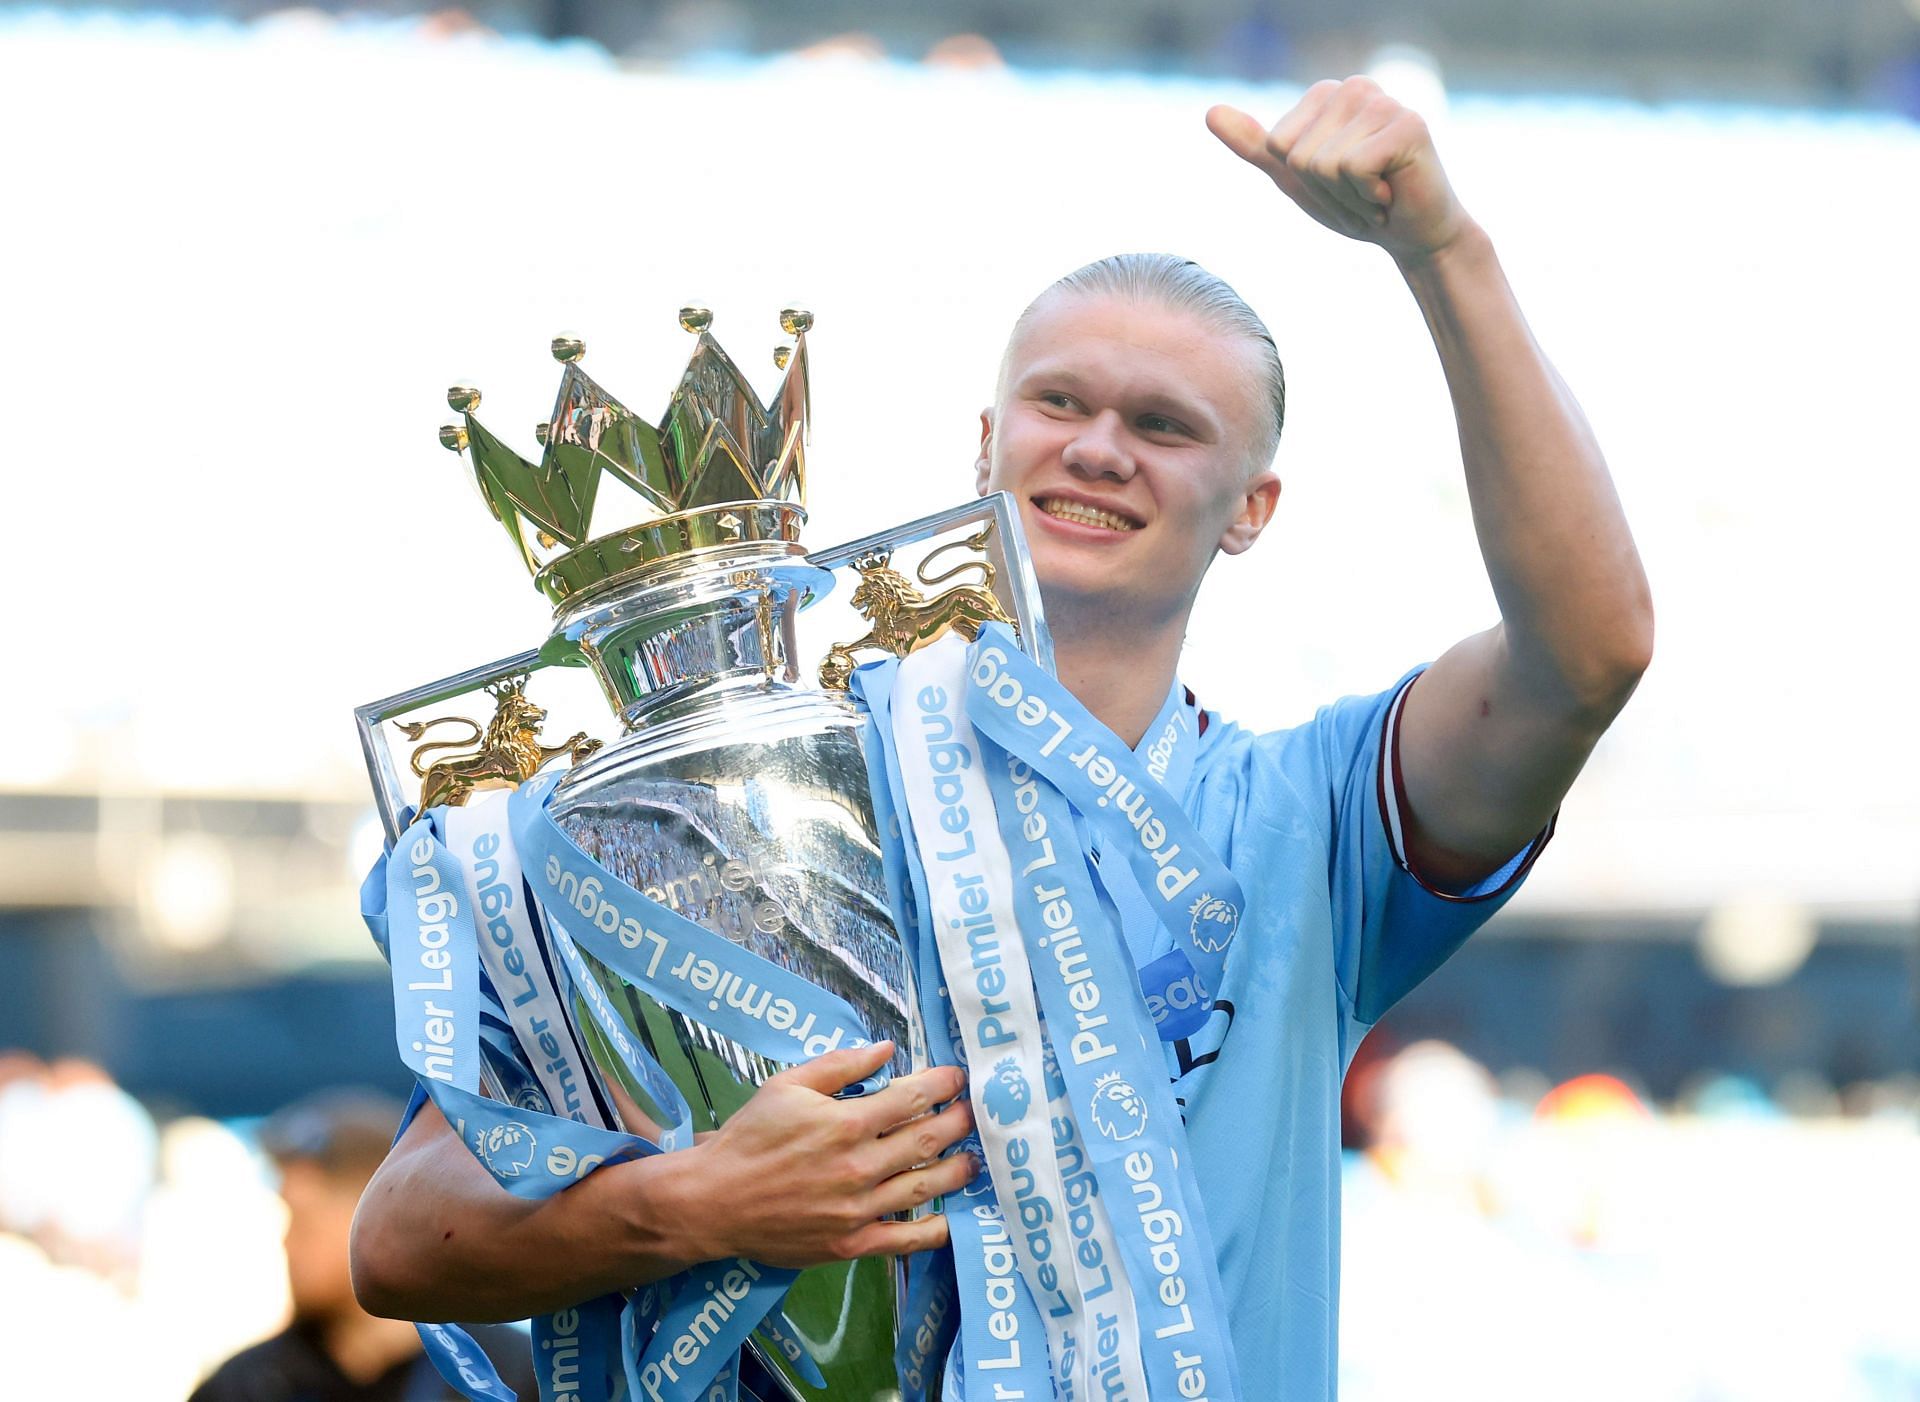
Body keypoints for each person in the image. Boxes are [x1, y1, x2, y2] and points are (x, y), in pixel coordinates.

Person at [351, 76, 1652, 1398]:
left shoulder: (1309, 818)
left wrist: (1443, 251)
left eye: (1163, 424)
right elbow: (401, 1237)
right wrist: (700, 1201)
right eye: (1059, 404)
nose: (1097, 448)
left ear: (1252, 506)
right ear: (986, 445)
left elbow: (1588, 654)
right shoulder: (754, 796)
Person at [194, 1091, 538, 1402]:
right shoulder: (241, 1387)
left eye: (300, 1218)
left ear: (375, 1213)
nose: (285, 1241)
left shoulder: (508, 1377)